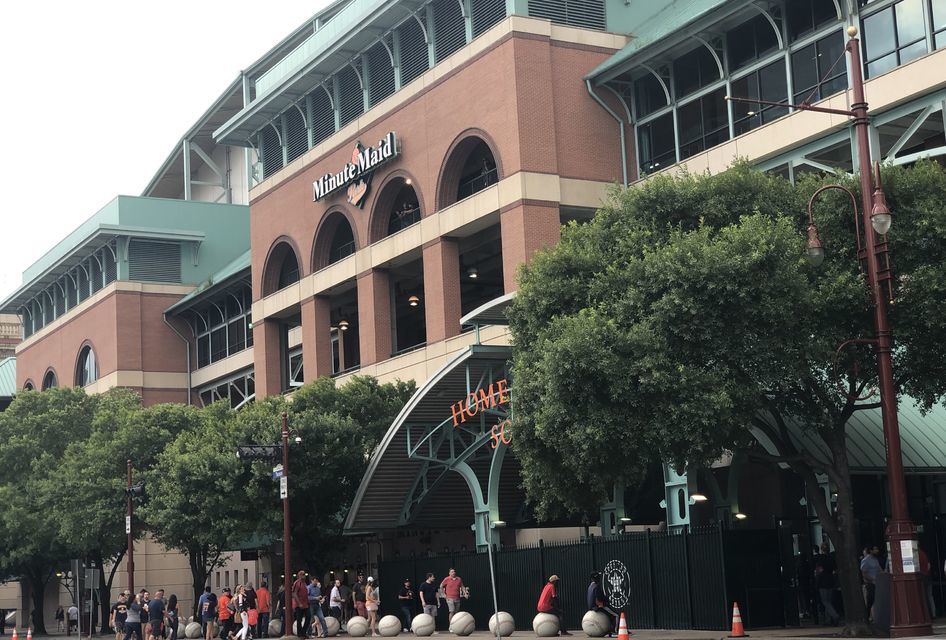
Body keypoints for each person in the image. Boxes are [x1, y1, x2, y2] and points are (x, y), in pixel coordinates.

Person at [814, 543, 840, 625]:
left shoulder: (820, 558)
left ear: (821, 549)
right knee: (829, 601)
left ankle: (834, 615)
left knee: (825, 601)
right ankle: (828, 620)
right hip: (830, 580)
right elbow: (835, 570)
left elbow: (819, 570)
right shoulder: (831, 558)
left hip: (823, 581)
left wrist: (817, 578)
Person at [860, 545, 882, 622]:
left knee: (876, 600)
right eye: (875, 549)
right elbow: (864, 573)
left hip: (877, 582)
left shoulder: (875, 559)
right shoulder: (866, 560)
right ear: (871, 550)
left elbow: (879, 570)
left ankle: (874, 617)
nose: (877, 551)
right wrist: (872, 579)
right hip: (870, 583)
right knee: (870, 600)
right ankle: (867, 616)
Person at [291, 571, 310, 639]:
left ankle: (303, 632)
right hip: (299, 604)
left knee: (308, 617)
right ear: (299, 576)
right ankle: (300, 635)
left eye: (304, 575)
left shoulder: (304, 583)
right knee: (299, 620)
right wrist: (299, 603)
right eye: (302, 575)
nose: (303, 576)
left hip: (305, 604)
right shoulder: (297, 583)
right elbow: (294, 594)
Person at [919, 545, 935, 618]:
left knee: (923, 597)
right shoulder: (924, 554)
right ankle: (933, 613)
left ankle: (927, 615)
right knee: (929, 596)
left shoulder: (917, 554)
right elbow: (928, 566)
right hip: (928, 577)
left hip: (922, 578)